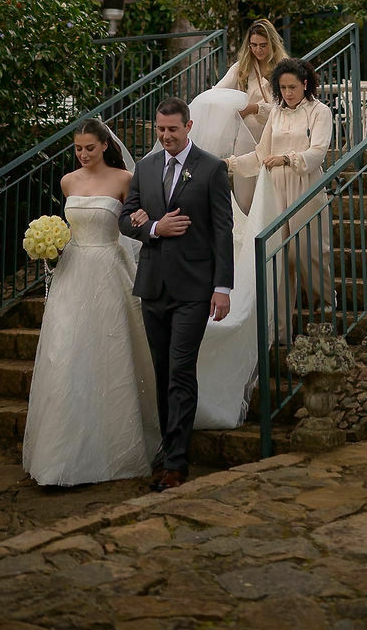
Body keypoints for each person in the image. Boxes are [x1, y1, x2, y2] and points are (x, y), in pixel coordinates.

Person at [22, 117, 160, 487]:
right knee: (65, 354)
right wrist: (50, 249)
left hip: (108, 270)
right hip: (71, 273)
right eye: (77, 149)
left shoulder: (124, 179)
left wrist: (144, 219)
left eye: (89, 148)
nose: (82, 154)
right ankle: (57, 456)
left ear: (104, 146)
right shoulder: (68, 181)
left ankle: (114, 448)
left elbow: (133, 224)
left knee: (109, 352)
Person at [119, 98, 235, 490]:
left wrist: (222, 287)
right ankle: (169, 447)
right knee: (162, 370)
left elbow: (223, 230)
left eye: (173, 129)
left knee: (180, 370)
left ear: (189, 127)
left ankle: (176, 463)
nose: (165, 136)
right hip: (152, 286)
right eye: (160, 129)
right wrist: (153, 228)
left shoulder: (212, 168)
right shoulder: (146, 167)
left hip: (194, 289)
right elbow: (125, 217)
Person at [226, 57, 335, 331]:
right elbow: (262, 154)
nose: (288, 93)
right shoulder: (275, 113)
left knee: (308, 252)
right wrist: (232, 164)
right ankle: (281, 329)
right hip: (275, 187)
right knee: (278, 256)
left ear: (305, 85)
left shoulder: (319, 111)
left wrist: (287, 159)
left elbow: (318, 152)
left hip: (305, 185)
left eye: (293, 87)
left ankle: (325, 310)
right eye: (283, 87)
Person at [187, 19, 287, 210]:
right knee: (244, 192)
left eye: (263, 45)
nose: (258, 50)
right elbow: (217, 93)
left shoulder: (284, 67)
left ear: (272, 44)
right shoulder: (241, 68)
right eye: (254, 45)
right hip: (247, 136)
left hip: (276, 134)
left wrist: (254, 108)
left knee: (273, 190)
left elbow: (285, 104)